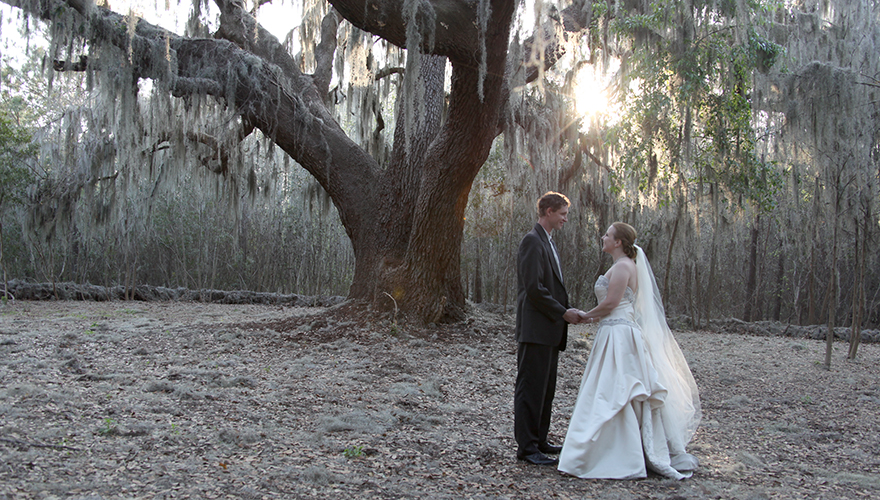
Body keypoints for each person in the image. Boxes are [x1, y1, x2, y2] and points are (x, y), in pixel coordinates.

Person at [558, 222, 701, 479]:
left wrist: (584, 315)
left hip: (620, 334)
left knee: (618, 388)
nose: (603, 237)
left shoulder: (624, 266)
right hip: (611, 330)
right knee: (610, 387)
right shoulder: (619, 265)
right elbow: (610, 306)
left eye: (607, 235)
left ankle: (621, 452)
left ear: (618, 242)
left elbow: (612, 302)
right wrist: (592, 318)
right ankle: (611, 447)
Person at [515, 192, 583, 466]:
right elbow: (534, 288)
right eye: (563, 214)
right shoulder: (532, 241)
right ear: (548, 211)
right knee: (530, 389)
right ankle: (527, 448)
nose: (565, 219)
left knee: (546, 389)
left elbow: (552, 287)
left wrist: (565, 311)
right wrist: (562, 312)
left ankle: (540, 440)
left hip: (550, 330)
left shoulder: (549, 242)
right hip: (535, 329)